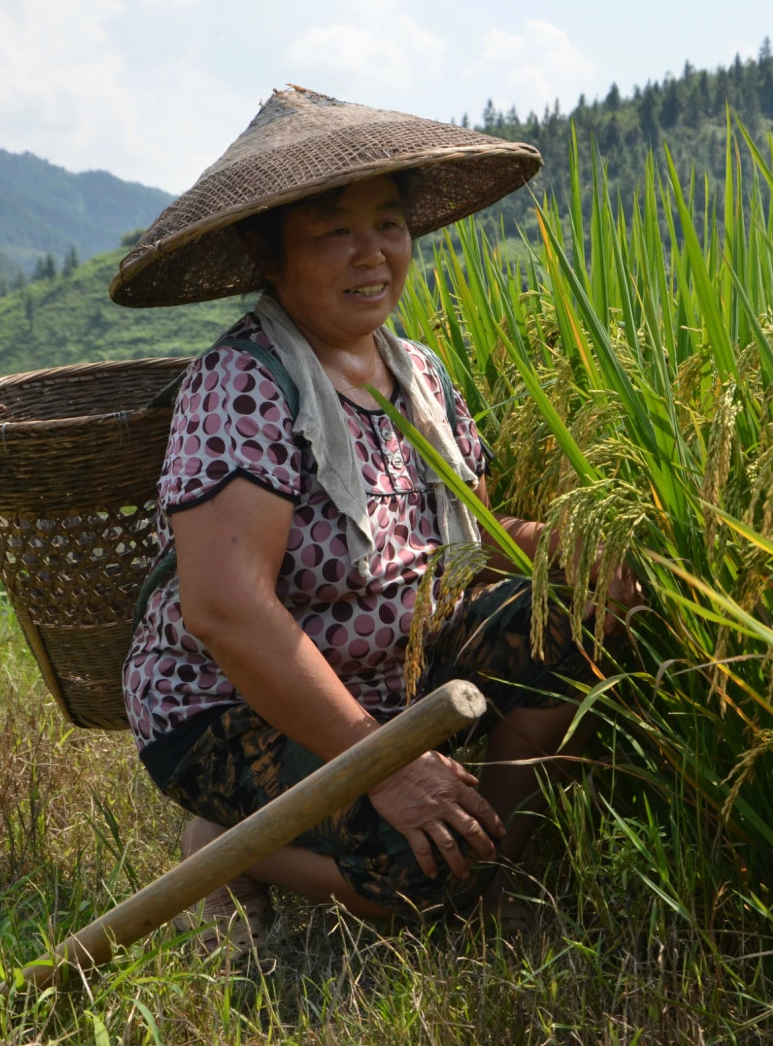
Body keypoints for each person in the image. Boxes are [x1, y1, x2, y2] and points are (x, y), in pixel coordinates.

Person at [109, 87, 635, 949]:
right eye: (334, 231)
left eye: (389, 224)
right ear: (268, 253)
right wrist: (384, 766)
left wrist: (580, 552)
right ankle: (234, 847)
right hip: (232, 707)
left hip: (395, 675)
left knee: (575, 615)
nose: (373, 253)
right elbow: (226, 611)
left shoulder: (417, 373)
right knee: (414, 875)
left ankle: (494, 876)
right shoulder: (244, 383)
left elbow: (466, 539)